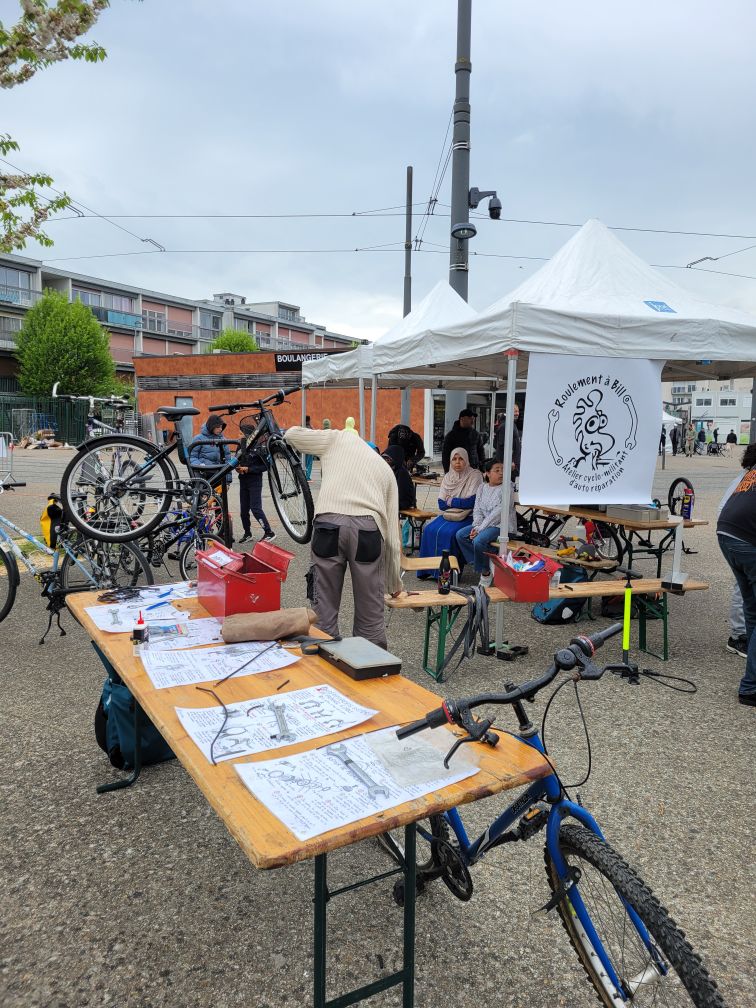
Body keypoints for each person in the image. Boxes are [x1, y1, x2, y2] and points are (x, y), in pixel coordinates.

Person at [283, 424, 401, 648]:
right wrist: (394, 581)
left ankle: (321, 655)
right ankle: (369, 658)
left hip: (328, 523)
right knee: (370, 611)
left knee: (323, 606)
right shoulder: (384, 468)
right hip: (367, 529)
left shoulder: (336, 439)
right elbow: (393, 537)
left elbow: (291, 435)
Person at [717, 442, 756, 706]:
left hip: (727, 533)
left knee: (752, 609)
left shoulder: (750, 473)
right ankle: (751, 687)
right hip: (747, 540)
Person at [417, 447, 483, 575]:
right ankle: (428, 571)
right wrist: (459, 502)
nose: (457, 462)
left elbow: (472, 502)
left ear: (466, 460)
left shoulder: (475, 475)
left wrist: (450, 500)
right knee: (429, 529)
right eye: (454, 459)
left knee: (450, 534)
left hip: (468, 516)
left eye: (461, 459)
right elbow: (441, 504)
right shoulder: (448, 476)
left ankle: (449, 574)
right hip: (449, 515)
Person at [456, 460, 509, 587]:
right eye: (497, 470)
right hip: (484, 525)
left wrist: (479, 529)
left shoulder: (507, 488)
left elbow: (497, 514)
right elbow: (477, 509)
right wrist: (476, 526)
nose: (501, 473)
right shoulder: (482, 488)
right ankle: (487, 561)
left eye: (503, 470)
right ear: (487, 473)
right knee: (460, 535)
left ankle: (485, 572)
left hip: (501, 526)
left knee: (478, 541)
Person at [236, 416, 275, 543]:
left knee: (255, 508)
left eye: (241, 433)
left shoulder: (259, 447)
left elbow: (266, 466)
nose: (238, 435)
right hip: (243, 481)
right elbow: (237, 460)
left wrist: (249, 469)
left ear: (248, 434)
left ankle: (269, 532)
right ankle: (247, 533)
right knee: (243, 511)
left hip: (255, 481)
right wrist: (238, 468)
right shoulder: (240, 445)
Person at [188, 414, 232, 484]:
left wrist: (227, 481)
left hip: (218, 472)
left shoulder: (223, 440)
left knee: (219, 490)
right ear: (211, 427)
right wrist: (200, 465)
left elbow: (228, 460)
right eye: (218, 427)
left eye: (221, 427)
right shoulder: (198, 439)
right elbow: (192, 457)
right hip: (202, 472)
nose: (220, 429)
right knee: (201, 488)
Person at [382, 444, 416, 511]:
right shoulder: (390, 470)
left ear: (396, 459)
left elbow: (401, 495)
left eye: (388, 459)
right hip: (394, 501)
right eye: (384, 459)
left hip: (402, 502)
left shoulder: (401, 473)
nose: (385, 461)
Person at [494, 411, 522, 477]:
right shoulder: (506, 426)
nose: (517, 414)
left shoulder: (508, 425)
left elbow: (497, 444)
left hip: (511, 461)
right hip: (509, 463)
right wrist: (511, 461)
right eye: (515, 412)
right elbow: (503, 446)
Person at [303, 415, 314, 482]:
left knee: (303, 462)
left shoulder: (301, 427)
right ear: (309, 420)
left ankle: (302, 476)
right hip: (309, 448)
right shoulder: (310, 428)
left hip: (302, 448)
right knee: (309, 463)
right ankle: (307, 477)